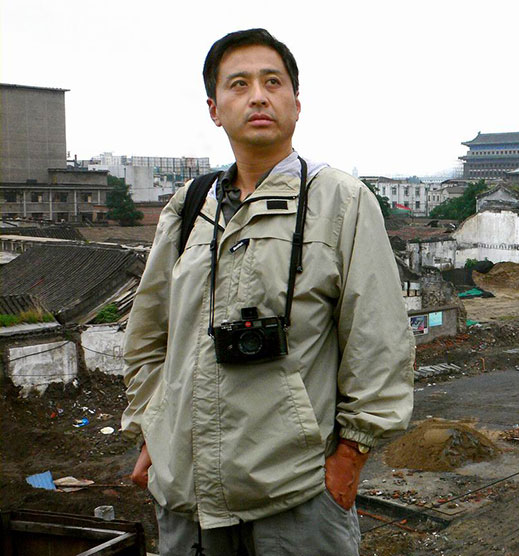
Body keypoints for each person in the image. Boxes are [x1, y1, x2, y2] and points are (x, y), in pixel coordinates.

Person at [120, 29, 414, 555]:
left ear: (296, 103)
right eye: (239, 84)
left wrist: (350, 458)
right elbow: (148, 336)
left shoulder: (340, 202)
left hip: (296, 498)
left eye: (272, 82)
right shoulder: (188, 208)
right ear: (214, 108)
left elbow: (379, 342)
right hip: (186, 498)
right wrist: (152, 431)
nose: (258, 95)